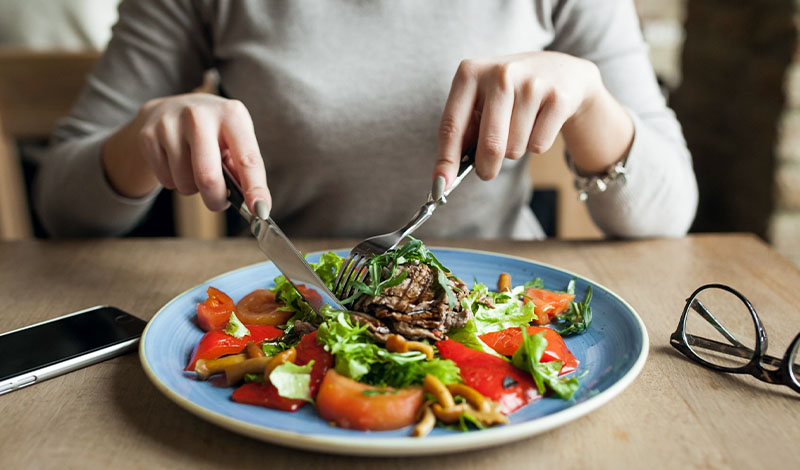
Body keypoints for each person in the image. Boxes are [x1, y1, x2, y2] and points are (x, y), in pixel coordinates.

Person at [35, 0, 697, 239]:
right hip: (286, 316)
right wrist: (143, 139)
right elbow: (63, 206)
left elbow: (671, 213)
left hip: (502, 314)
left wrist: (590, 102)